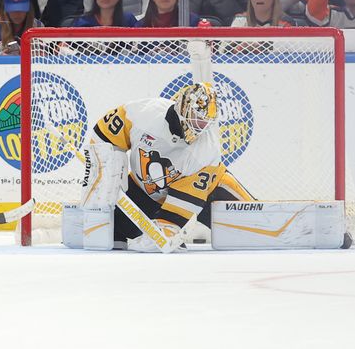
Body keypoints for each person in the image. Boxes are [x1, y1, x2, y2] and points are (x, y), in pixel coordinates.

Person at [64, 82, 255, 252]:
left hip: (210, 193)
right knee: (106, 232)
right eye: (198, 120)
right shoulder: (142, 113)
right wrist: (106, 173)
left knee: (255, 230)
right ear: (184, 109)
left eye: (206, 123)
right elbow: (104, 136)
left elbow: (183, 205)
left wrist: (167, 228)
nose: (201, 128)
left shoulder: (207, 150)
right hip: (145, 191)